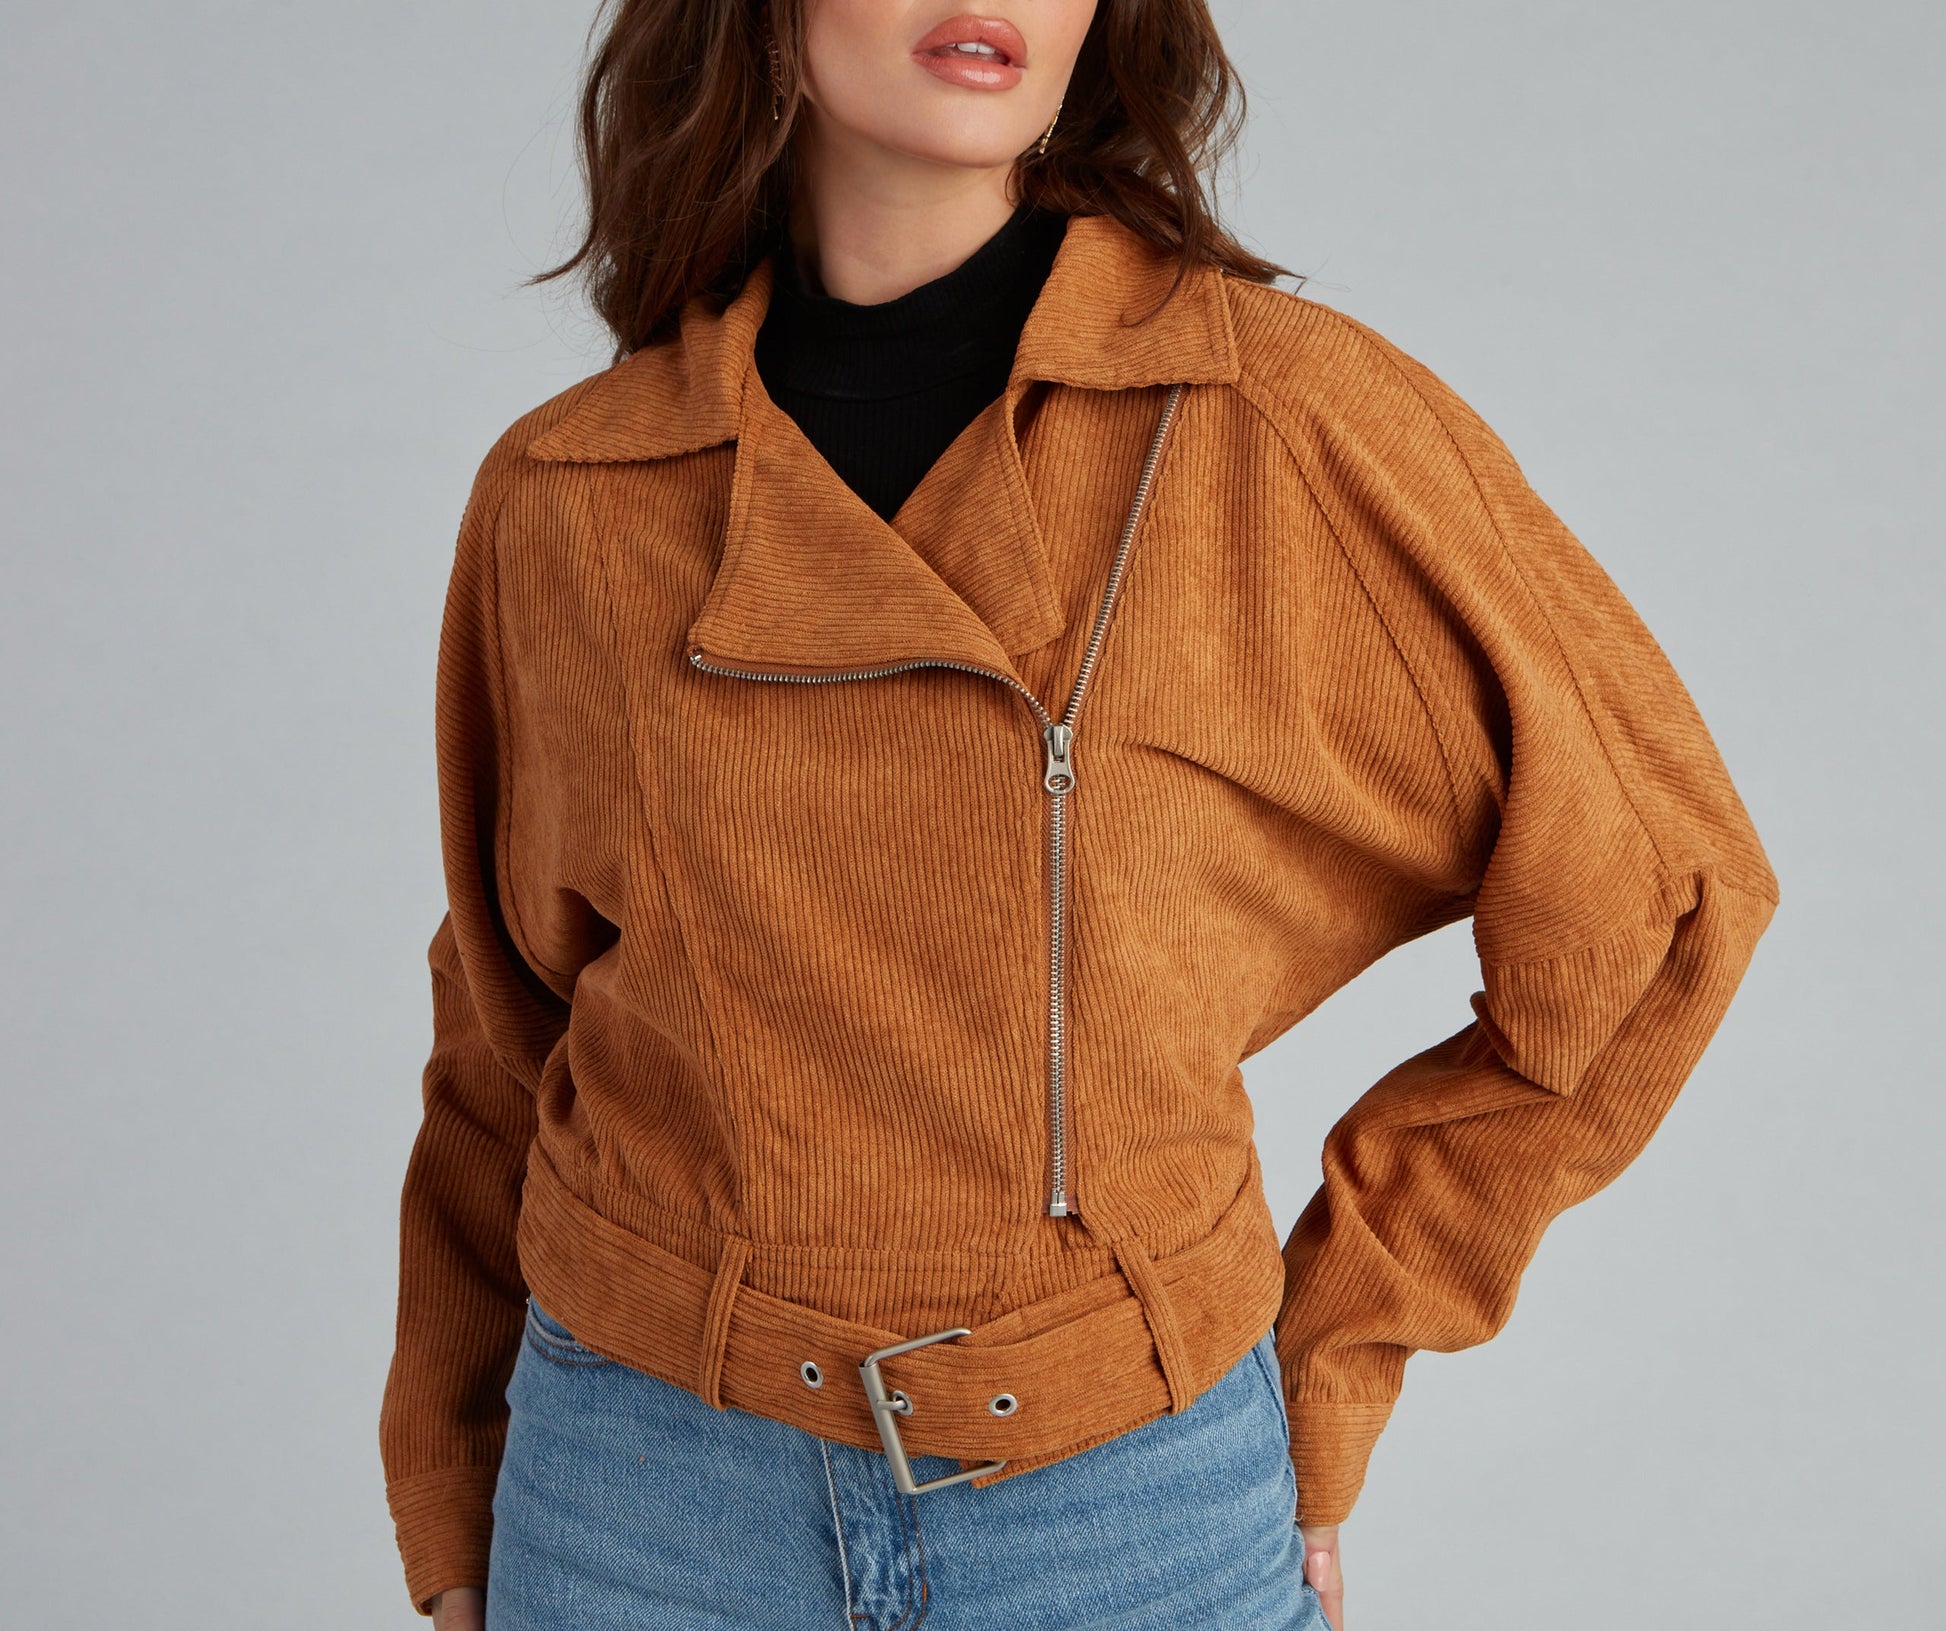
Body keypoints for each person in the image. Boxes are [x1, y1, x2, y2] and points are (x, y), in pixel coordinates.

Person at [378, 2, 1781, 1627]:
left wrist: (1336, 1346)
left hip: (1123, 1504)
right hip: (641, 1500)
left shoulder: (1275, 416)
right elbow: (509, 1025)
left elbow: (1658, 896)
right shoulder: (572, 488)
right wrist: (449, 1476)